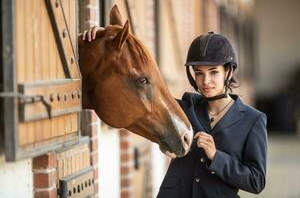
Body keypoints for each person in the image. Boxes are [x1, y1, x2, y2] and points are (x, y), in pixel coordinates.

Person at [82, 28, 268, 198]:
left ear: (228, 71)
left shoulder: (253, 120)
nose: (205, 81)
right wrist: (106, 38)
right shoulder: (186, 107)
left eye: (213, 72)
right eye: (199, 73)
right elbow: (145, 90)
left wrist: (216, 157)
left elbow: (256, 181)